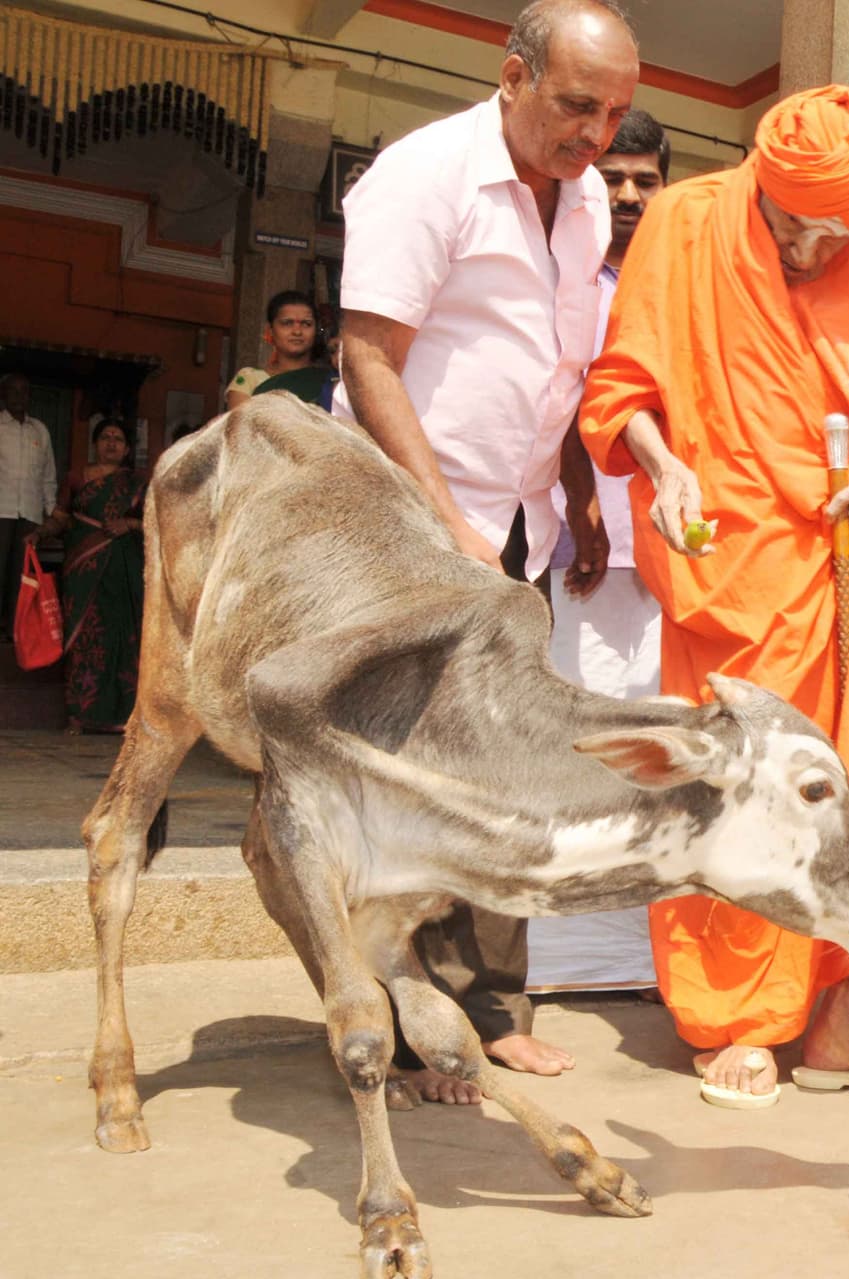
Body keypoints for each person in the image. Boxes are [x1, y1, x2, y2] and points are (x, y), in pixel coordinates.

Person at [579, 84, 849, 1102]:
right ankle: (741, 1020)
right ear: (758, 184)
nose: (812, 250)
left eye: (835, 234)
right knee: (745, 796)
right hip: (749, 563)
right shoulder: (683, 221)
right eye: (791, 227)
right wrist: (662, 467)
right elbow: (622, 386)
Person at [334, 0, 640, 1102]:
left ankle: (495, 1009)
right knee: (409, 779)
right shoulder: (424, 177)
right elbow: (367, 356)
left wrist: (575, 496)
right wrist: (447, 519)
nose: (596, 134)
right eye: (575, 105)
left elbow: (555, 369)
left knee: (514, 772)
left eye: (614, 113)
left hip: (521, 527)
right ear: (509, 76)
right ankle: (403, 1021)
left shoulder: (589, 197)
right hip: (411, 525)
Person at [527, 108, 669, 996]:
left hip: (672, 545)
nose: (624, 194)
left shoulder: (681, 279)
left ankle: (652, 956)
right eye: (611, 177)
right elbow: (569, 399)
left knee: (660, 742)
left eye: (642, 180)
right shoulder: (566, 273)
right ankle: (569, 961)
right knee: (584, 738)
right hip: (588, 548)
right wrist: (583, 509)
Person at [25, 418, 145, 733]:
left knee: (122, 639)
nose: (111, 443)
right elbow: (60, 518)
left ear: (127, 449)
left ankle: (121, 717)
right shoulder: (76, 478)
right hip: (82, 572)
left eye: (118, 439)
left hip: (123, 574)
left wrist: (129, 525)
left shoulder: (137, 484)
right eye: (105, 437)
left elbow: (157, 523)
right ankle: (79, 715)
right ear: (95, 443)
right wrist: (39, 533)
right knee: (83, 638)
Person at [0, 371, 56, 641]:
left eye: (24, 391)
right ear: (3, 395)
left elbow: (48, 476)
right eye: (13, 390)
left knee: (22, 577)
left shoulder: (40, 430)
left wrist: (53, 513)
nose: (19, 396)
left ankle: (15, 631)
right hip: (1, 511)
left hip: (30, 515)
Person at [225, 291, 319, 409]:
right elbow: (241, 424)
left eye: (306, 324)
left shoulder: (326, 381)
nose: (297, 331)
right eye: (287, 323)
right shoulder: (250, 379)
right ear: (270, 330)